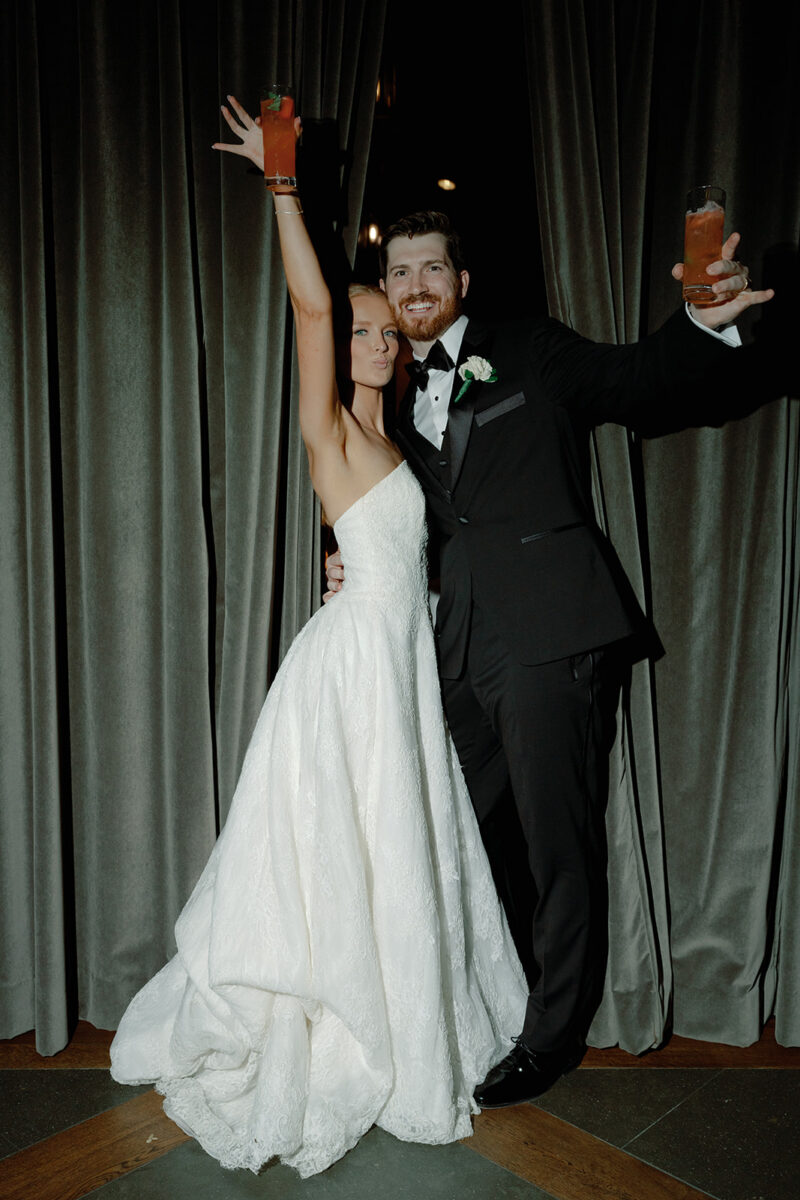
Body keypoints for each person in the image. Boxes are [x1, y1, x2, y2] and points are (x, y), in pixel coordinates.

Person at [109, 101, 527, 1177]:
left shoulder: (404, 449)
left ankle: (404, 1024)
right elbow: (306, 304)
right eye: (360, 330)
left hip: (398, 672)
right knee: (340, 857)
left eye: (386, 326)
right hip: (345, 680)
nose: (377, 340)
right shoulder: (330, 430)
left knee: (398, 854)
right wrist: (284, 187)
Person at [325, 209, 777, 1107]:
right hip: (449, 655)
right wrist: (346, 555)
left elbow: (636, 380)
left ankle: (549, 1037)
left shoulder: (530, 350)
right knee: (449, 837)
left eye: (430, 269)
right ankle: (476, 1003)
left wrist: (695, 324)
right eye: (399, 270)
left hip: (549, 637)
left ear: (462, 284)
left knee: (555, 845)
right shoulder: (386, 393)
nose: (413, 284)